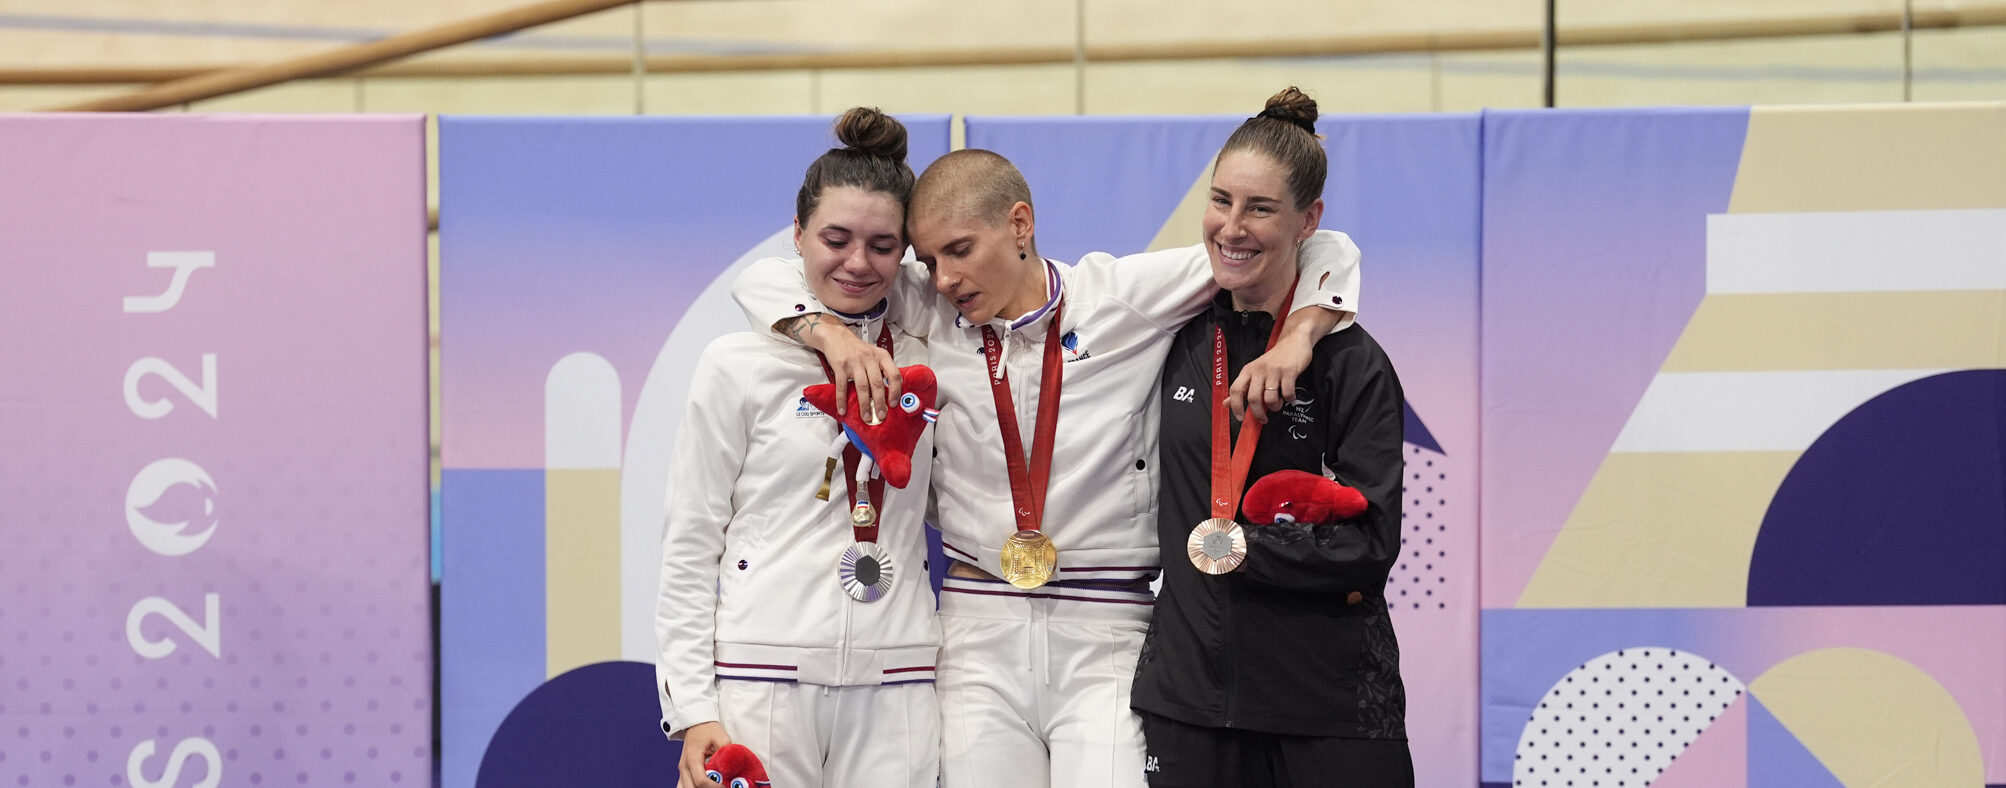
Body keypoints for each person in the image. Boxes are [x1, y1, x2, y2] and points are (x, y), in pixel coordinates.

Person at [733, 139, 1364, 786]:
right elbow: (766, 278)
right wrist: (829, 333)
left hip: (1108, 629)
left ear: (1019, 225)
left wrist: (1299, 336)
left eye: (960, 250)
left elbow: (1322, 246)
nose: (944, 276)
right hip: (977, 628)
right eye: (929, 259)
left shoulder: (1122, 295)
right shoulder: (931, 306)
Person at [1131, 87, 1413, 787]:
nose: (1232, 226)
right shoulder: (1173, 335)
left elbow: (1370, 544)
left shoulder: (1353, 362)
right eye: (1221, 200)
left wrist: (1243, 549)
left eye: (1259, 208)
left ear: (1307, 220)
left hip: (1328, 703)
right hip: (1190, 701)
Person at [655, 107, 941, 788]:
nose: (857, 262)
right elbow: (692, 540)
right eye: (835, 238)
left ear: (904, 252)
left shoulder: (933, 358)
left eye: (881, 244)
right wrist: (694, 708)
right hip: (760, 680)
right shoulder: (735, 363)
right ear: (797, 236)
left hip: (897, 680)